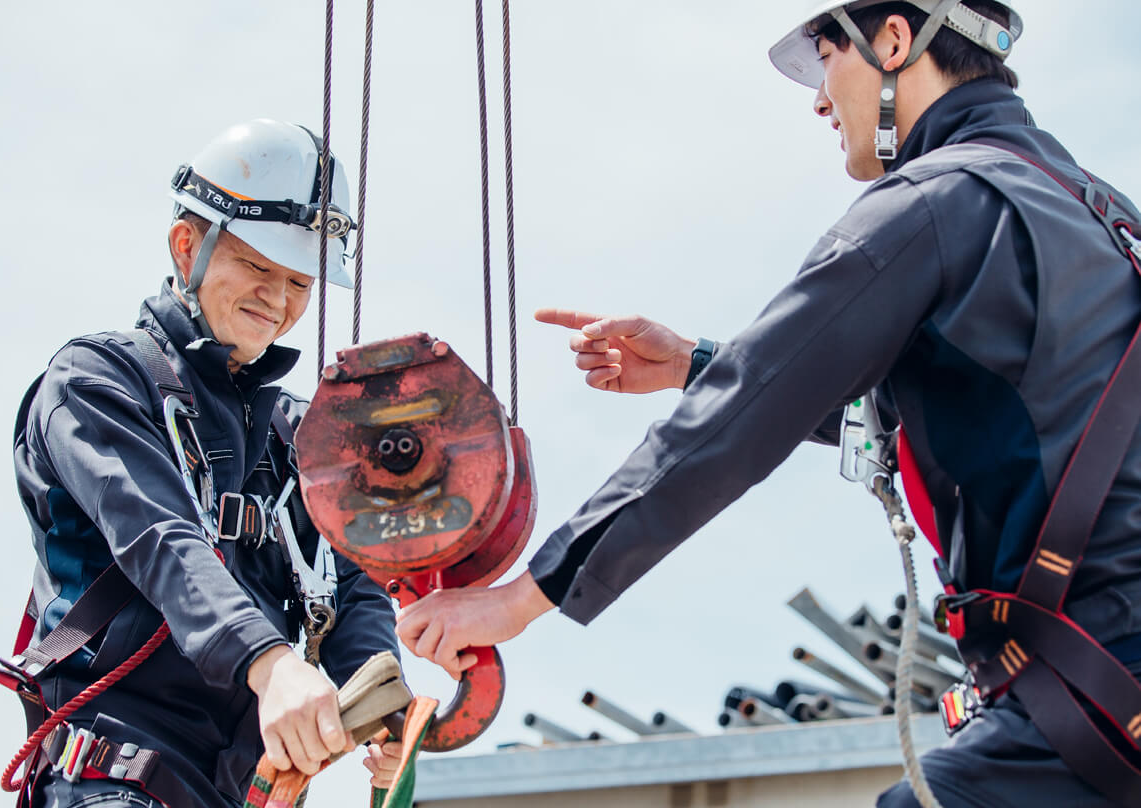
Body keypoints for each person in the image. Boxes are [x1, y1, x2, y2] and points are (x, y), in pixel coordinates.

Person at [395, 2, 1141, 805]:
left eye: (828, 56)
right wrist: (695, 363)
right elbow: (994, 410)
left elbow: (742, 418)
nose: (820, 98)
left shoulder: (931, 205)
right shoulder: (1104, 215)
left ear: (894, 39)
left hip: (1084, 693)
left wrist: (524, 596)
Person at [7, 119, 401, 808]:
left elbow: (352, 580)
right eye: (256, 266)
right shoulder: (96, 384)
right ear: (187, 245)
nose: (277, 302)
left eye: (298, 282)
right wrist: (271, 664)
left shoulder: (295, 439)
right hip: (114, 780)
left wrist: (379, 691)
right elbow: (162, 541)